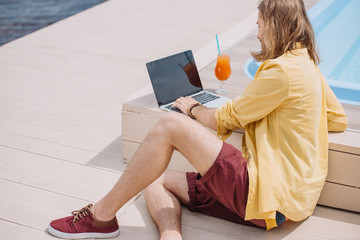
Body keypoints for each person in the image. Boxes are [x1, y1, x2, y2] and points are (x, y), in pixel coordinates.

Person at [47, 0, 348, 239]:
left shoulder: (281, 70)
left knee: (170, 125)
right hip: (286, 203)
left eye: (259, 25)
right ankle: (171, 235)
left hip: (267, 192)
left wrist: (192, 109)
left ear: (274, 24)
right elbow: (336, 119)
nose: (257, 33)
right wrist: (280, 119)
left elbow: (220, 120)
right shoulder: (307, 64)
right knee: (154, 178)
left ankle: (100, 217)